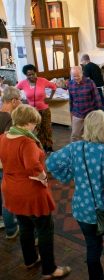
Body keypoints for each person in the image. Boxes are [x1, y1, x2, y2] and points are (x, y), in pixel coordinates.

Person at [46, 110, 104, 280]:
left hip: (82, 210)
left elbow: (50, 162)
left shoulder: (75, 147)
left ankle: (96, 277)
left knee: (93, 246)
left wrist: (68, 175)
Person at [0, 104, 71, 279]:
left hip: (11, 188)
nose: (35, 127)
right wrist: (43, 178)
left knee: (24, 226)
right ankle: (50, 269)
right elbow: (33, 167)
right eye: (34, 123)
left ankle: (30, 259)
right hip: (30, 192)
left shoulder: (3, 137)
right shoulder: (26, 141)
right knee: (45, 229)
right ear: (26, 122)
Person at [16, 64, 56, 153]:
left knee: (47, 128)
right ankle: (40, 146)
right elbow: (15, 91)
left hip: (44, 109)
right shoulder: (23, 83)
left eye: (33, 74)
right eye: (29, 75)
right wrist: (22, 100)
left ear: (35, 73)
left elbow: (54, 86)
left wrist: (50, 98)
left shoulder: (42, 81)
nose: (31, 76)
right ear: (26, 75)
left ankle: (49, 146)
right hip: (32, 111)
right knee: (36, 130)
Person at [0, 87, 21, 239]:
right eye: (19, 100)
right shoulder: (8, 118)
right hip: (4, 163)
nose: (20, 103)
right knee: (7, 198)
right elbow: (9, 143)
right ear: (13, 101)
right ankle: (11, 229)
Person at [68, 66, 104, 142]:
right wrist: (71, 111)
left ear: (82, 74)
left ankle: (91, 150)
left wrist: (100, 112)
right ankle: (75, 151)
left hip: (90, 113)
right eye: (74, 76)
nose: (76, 78)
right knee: (74, 136)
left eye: (78, 75)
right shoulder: (70, 84)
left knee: (91, 135)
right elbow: (71, 98)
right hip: (77, 113)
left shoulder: (90, 82)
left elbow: (97, 97)